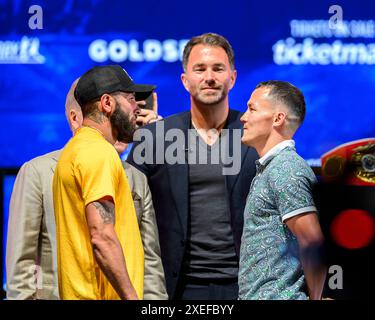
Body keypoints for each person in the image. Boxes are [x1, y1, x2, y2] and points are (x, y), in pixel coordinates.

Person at [6, 76, 168, 299]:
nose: (135, 115)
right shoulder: (37, 173)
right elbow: (21, 260)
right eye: (128, 104)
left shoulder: (135, 177)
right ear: (76, 119)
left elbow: (150, 262)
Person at [127, 33, 258, 299]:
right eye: (200, 69)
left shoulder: (255, 135)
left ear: (232, 78)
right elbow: (126, 206)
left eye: (218, 68)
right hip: (176, 287)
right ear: (185, 81)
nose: (209, 77)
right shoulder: (156, 137)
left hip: (245, 285)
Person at [53, 65, 155, 300]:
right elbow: (101, 235)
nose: (136, 109)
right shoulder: (98, 152)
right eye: (131, 99)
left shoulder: (75, 150)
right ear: (107, 103)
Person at [238, 80, 326, 300]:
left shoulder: (286, 168)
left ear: (278, 118)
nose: (243, 117)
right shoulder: (271, 168)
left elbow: (312, 242)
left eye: (252, 108)